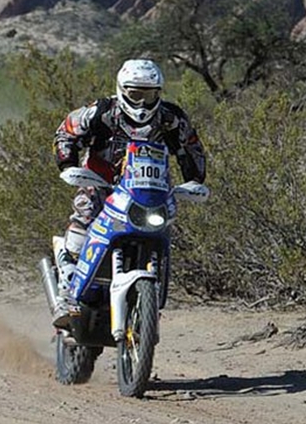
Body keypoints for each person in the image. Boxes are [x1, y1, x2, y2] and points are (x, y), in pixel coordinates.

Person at [50, 58, 206, 328]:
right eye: (136, 94)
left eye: (149, 94)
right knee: (85, 215)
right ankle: (66, 289)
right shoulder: (101, 111)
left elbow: (190, 146)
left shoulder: (171, 118)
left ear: (159, 93)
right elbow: (67, 131)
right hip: (101, 180)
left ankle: (149, 300)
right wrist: (68, 163)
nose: (143, 103)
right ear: (123, 90)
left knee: (164, 229)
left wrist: (195, 178)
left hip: (150, 191)